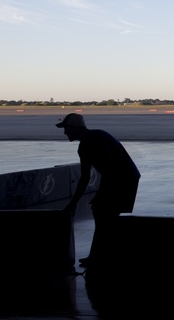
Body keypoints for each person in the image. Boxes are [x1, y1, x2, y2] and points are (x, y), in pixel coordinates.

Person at [57, 113, 140, 267]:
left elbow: (111, 170)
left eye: (67, 128)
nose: (65, 133)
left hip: (124, 179)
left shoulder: (94, 140)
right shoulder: (86, 144)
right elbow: (85, 177)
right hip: (123, 178)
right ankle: (99, 256)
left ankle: (99, 257)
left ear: (75, 128)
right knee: (104, 216)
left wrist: (100, 195)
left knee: (103, 215)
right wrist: (74, 202)